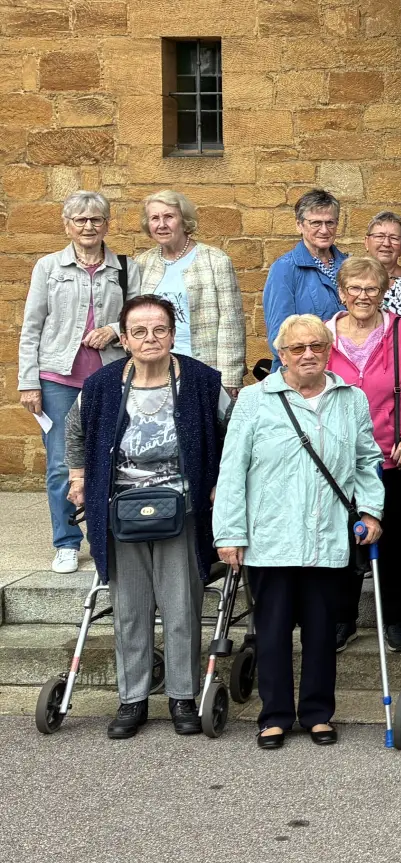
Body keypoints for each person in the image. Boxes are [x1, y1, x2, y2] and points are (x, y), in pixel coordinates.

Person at [213, 314, 385, 750]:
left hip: (327, 533)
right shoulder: (254, 400)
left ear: (329, 350)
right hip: (270, 536)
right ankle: (274, 716)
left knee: (321, 629)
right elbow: (232, 470)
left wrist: (372, 510)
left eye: (317, 346)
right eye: (297, 348)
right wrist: (229, 533)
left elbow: (367, 461)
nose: (308, 355)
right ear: (282, 354)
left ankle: (316, 713)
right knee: (270, 630)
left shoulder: (352, 399)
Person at [65, 294, 228, 739]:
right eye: (139, 331)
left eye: (159, 329)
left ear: (173, 335)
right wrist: (79, 476)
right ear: (124, 338)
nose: (150, 338)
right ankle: (132, 699)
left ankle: (182, 697)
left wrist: (220, 481)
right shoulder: (99, 386)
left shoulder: (200, 381)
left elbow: (231, 435)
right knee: (131, 611)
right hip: (120, 512)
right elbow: (75, 434)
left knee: (181, 609)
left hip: (184, 509)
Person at [22, 190, 139, 574]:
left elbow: (143, 317)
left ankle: (109, 538)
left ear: (107, 223)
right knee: (60, 463)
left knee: (115, 458)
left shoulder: (125, 267)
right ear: (67, 224)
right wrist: (29, 381)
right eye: (80, 220)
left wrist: (112, 328)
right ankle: (67, 542)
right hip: (58, 378)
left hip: (110, 378)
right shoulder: (49, 267)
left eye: (96, 219)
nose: (89, 226)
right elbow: (32, 327)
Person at [325, 256, 401, 654]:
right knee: (341, 539)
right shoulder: (324, 336)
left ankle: (394, 620)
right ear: (341, 292)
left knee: (388, 541)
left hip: (389, 457)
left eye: (372, 288)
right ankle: (343, 619)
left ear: (384, 291)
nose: (363, 296)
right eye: (354, 288)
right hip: (336, 458)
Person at [133, 189, 246, 393]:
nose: (161, 224)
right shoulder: (142, 263)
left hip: (203, 367)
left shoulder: (215, 260)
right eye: (154, 218)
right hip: (155, 369)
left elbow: (232, 322)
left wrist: (230, 377)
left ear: (184, 220)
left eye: (169, 217)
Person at [263, 189, 345, 361]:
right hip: (304, 370)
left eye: (330, 222)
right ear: (299, 225)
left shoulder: (347, 265)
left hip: (345, 367)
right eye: (316, 223)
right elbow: (279, 337)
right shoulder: (284, 269)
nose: (324, 230)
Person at [365, 211, 401, 317]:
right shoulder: (353, 278)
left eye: (394, 238)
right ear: (366, 242)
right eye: (379, 236)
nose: (386, 243)